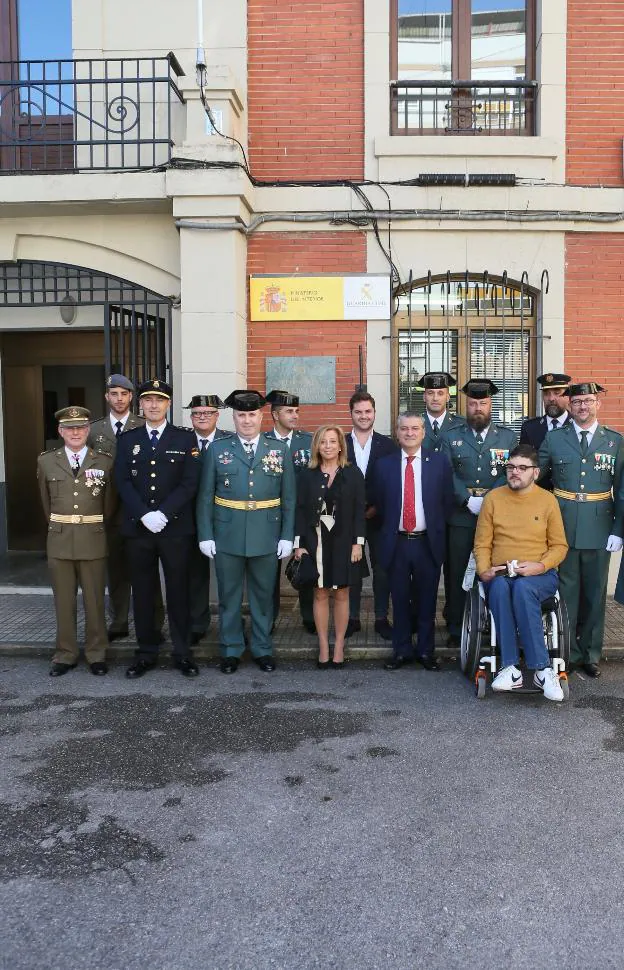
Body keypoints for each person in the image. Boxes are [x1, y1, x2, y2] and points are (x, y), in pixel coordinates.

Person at [196, 389, 296, 674]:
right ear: (234, 416)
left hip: (266, 534)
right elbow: (205, 496)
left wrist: (287, 535)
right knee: (228, 597)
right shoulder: (218, 449)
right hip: (227, 535)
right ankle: (230, 650)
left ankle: (262, 649)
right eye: (241, 415)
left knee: (262, 597)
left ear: (261, 415)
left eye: (252, 414)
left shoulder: (279, 449)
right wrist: (206, 534)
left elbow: (289, 497)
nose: (247, 420)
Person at [115, 378, 201, 679]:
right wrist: (143, 514)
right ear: (141, 404)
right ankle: (146, 652)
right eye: (148, 400)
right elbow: (122, 482)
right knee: (143, 592)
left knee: (178, 590)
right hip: (139, 530)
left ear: (168, 404)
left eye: (160, 400)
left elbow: (190, 482)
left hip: (174, 528)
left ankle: (182, 652)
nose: (153, 405)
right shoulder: (128, 440)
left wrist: (163, 513)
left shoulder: (184, 439)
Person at [539, 381, 624, 677]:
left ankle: (590, 653)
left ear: (597, 404)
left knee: (595, 594)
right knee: (566, 592)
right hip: (561, 525)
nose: (582, 406)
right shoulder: (555, 439)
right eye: (577, 402)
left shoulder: (614, 440)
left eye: (588, 401)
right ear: (570, 407)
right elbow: (536, 478)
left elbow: (622, 490)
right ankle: (568, 652)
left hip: (601, 528)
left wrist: (619, 529)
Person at [474, 445, 569, 700]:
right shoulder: (493, 498)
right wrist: (484, 570)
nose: (515, 472)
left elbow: (560, 546)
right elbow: (482, 543)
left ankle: (541, 669)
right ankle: (510, 668)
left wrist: (540, 566)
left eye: (522, 468)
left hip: (540, 574)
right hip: (502, 572)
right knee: (504, 588)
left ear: (535, 473)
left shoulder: (548, 501)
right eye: (511, 467)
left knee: (524, 588)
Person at [37, 406, 115, 677]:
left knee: (94, 600)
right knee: (63, 601)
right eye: (69, 428)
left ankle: (96, 653)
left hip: (93, 538)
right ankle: (65, 654)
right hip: (59, 540)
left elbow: (110, 505)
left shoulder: (104, 461)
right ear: (60, 431)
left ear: (88, 430)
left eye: (80, 427)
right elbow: (46, 503)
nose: (75, 432)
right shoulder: (46, 461)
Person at [373, 413, 454, 671]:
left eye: (415, 428)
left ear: (423, 432)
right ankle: (401, 650)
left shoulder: (439, 463)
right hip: (396, 542)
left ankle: (426, 651)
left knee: (428, 598)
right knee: (399, 597)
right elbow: (379, 503)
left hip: (426, 542)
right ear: (397, 433)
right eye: (404, 429)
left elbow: (447, 502)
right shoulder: (384, 465)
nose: (409, 433)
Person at [440, 379, 518, 646]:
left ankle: (490, 623)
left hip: (495, 516)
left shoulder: (507, 437)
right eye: (472, 404)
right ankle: (455, 627)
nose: (477, 409)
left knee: (492, 570)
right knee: (459, 571)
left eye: (482, 403)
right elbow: (446, 472)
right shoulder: (451, 436)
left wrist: (489, 499)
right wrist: (466, 500)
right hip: (461, 516)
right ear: (466, 405)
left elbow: (511, 471)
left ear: (490, 405)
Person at [88, 373, 164, 641]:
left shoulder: (144, 425)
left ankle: (155, 624)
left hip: (142, 510)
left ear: (132, 397)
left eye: (124, 394)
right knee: (116, 571)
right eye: (114, 394)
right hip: (109, 513)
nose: (119, 399)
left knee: (148, 571)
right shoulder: (94, 430)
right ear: (106, 397)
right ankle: (118, 622)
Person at [294, 425, 365, 667]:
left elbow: (358, 512)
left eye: (333, 441)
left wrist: (359, 544)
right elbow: (300, 512)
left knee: (343, 592)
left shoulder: (353, 474)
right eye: (323, 442)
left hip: (345, 542)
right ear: (316, 446)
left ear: (340, 446)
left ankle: (340, 646)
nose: (328, 446)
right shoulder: (307, 475)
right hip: (316, 542)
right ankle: (324, 645)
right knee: (320, 592)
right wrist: (299, 545)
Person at [345, 391, 398, 640]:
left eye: (368, 411)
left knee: (382, 569)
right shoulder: (340, 444)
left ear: (374, 413)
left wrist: (376, 507)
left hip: (380, 517)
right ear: (351, 414)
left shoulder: (388, 445)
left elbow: (393, 483)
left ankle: (380, 618)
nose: (364, 416)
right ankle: (351, 618)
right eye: (358, 412)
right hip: (348, 519)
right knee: (351, 569)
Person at [265, 389, 315, 634]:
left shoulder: (308, 441)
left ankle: (309, 617)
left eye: (296, 411)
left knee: (305, 563)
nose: (295, 416)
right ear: (275, 415)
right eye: (288, 411)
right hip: (271, 515)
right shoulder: (263, 442)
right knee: (268, 571)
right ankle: (269, 618)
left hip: (302, 515)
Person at [184, 394, 228, 645]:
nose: (202, 417)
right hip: (191, 518)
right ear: (191, 417)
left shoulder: (229, 441)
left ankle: (229, 623)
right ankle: (198, 623)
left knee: (228, 575)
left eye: (207, 413)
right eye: (197, 413)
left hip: (225, 517)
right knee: (196, 574)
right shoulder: (181, 441)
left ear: (216, 416)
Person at [520, 373, 571, 490]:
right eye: (546, 394)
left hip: (568, 498)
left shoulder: (577, 426)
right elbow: (524, 463)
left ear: (567, 396)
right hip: (537, 496)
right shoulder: (530, 428)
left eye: (557, 393)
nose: (551, 398)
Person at [418, 372, 463, 453]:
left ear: (448, 397)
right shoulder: (414, 424)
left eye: (440, 393)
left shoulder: (461, 425)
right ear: (424, 397)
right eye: (430, 393)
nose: (435, 398)